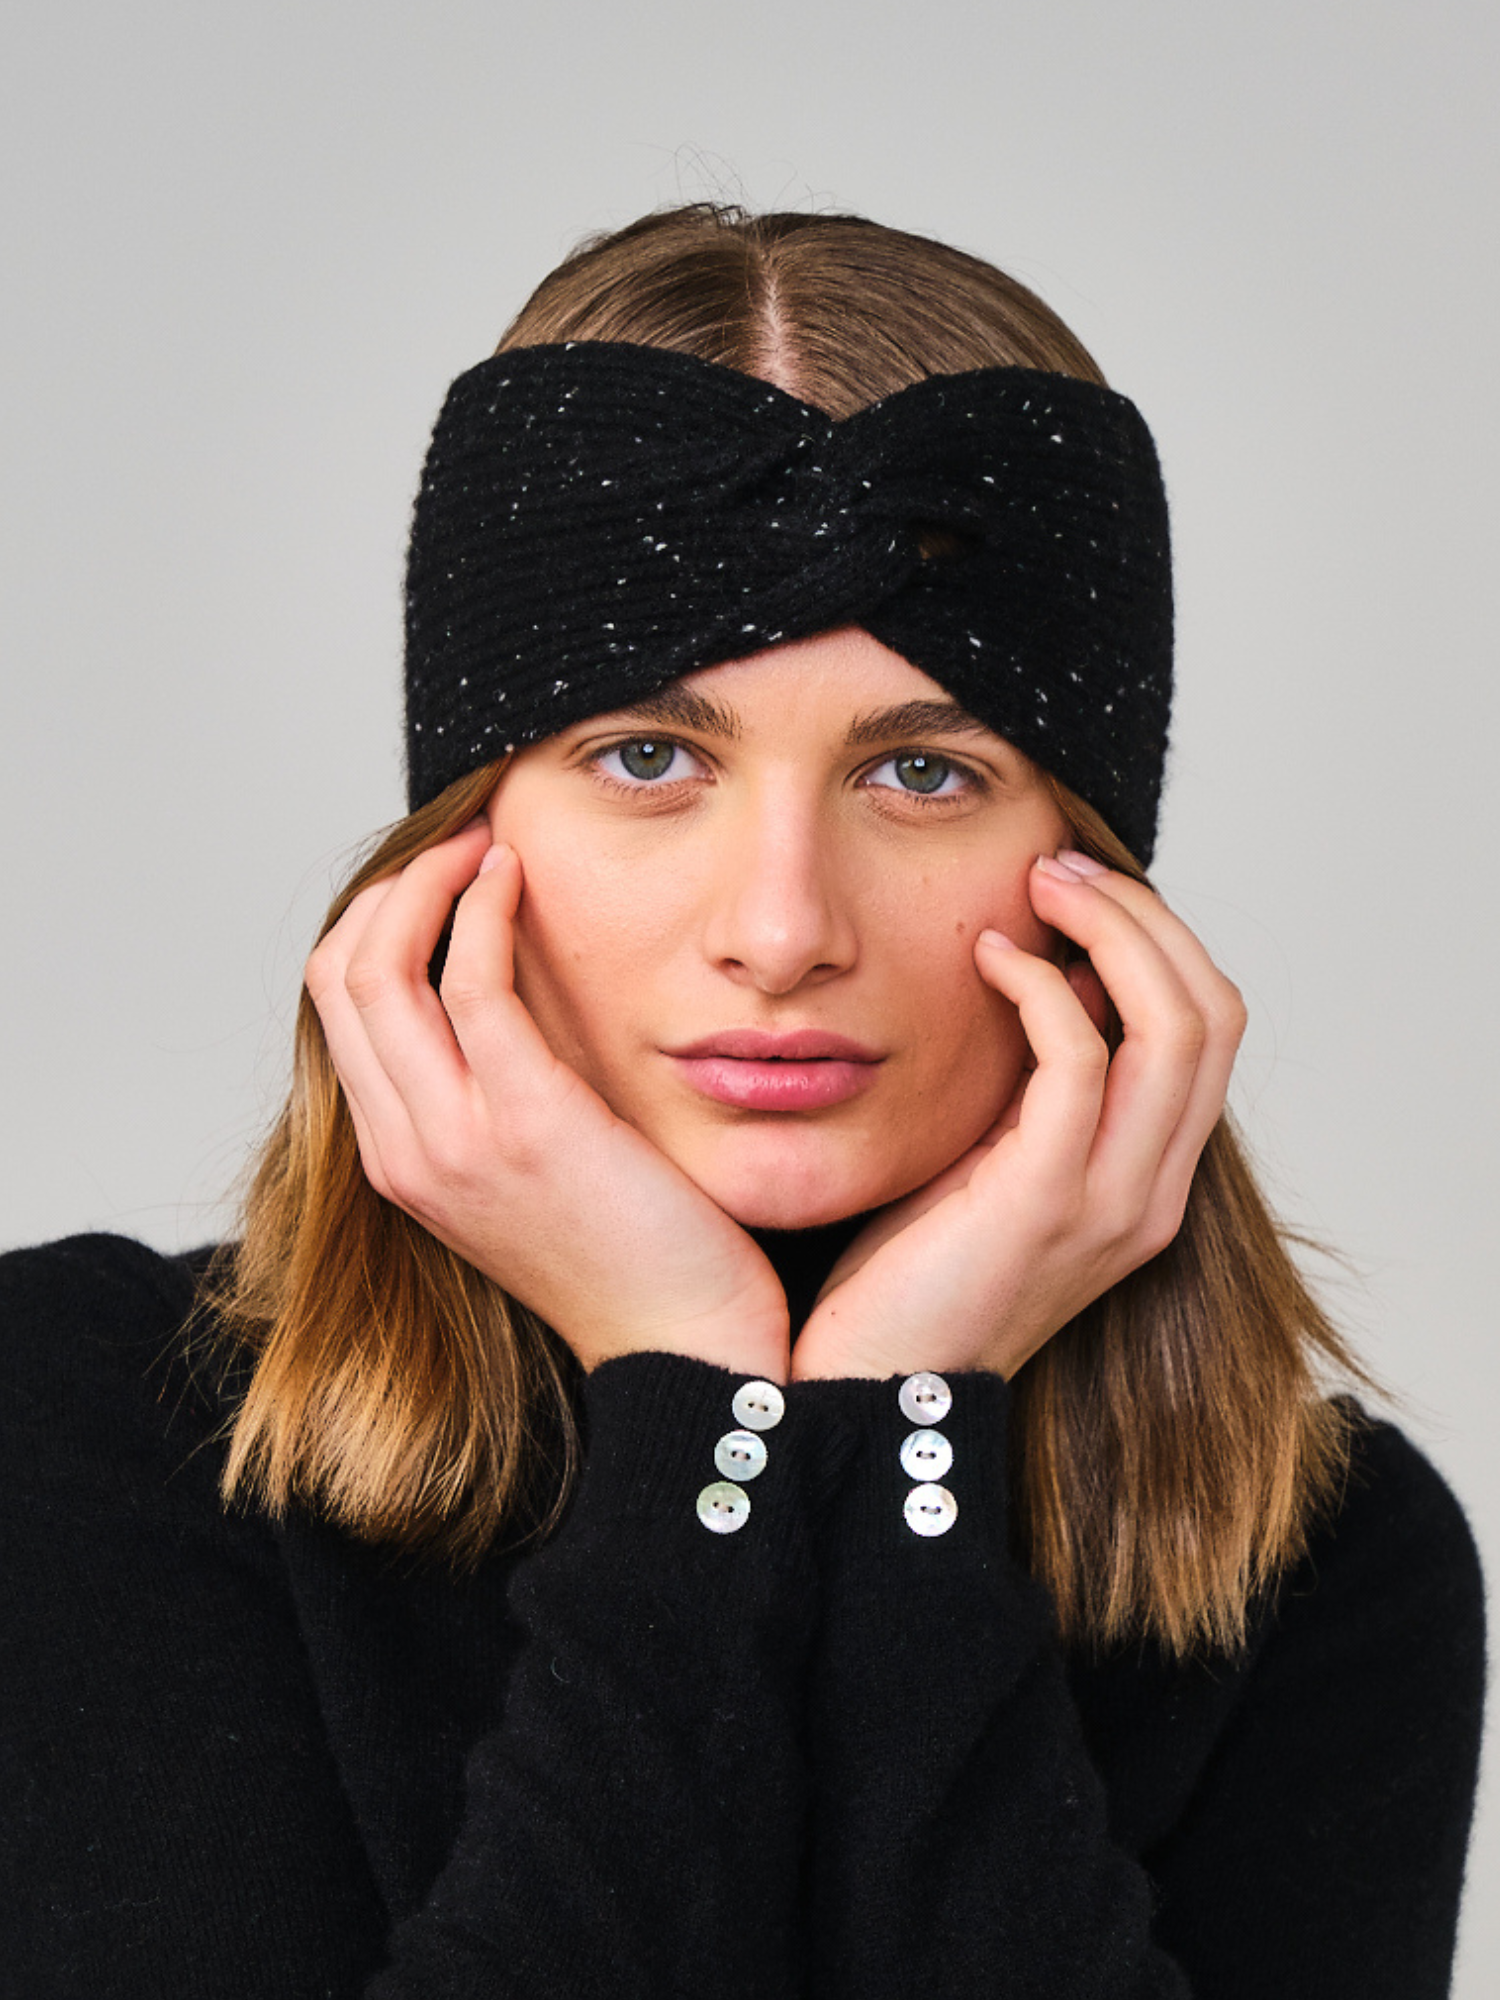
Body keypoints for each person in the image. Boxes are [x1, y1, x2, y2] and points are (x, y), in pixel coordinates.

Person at [1, 205, 1485, 1998]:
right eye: (648, 758)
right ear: (464, 848)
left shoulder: (1324, 1564)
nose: (781, 931)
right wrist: (700, 1409)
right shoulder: (83, 1416)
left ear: (1096, 879)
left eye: (926, 772)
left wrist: (896, 1435)